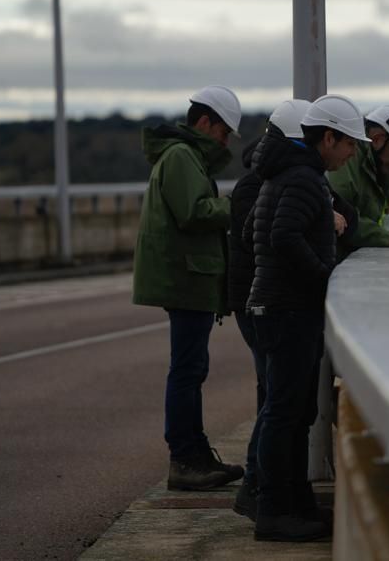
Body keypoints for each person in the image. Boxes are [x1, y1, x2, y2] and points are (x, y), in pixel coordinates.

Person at [244, 94, 368, 542]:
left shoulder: (291, 174)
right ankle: (275, 511)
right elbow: (283, 236)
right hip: (287, 307)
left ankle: (294, 504)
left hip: (280, 305)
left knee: (294, 413)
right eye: (349, 143)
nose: (353, 152)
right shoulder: (301, 178)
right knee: (284, 413)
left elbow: (252, 232)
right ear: (328, 137)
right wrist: (324, 279)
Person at [132, 85, 245, 491]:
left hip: (190, 276)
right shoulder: (182, 156)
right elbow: (193, 212)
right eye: (222, 131)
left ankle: (194, 454)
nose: (225, 140)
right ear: (203, 122)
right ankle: (185, 458)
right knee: (186, 370)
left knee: (192, 368)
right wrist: (237, 206)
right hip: (186, 277)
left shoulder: (186, 155)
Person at [328, 104, 389, 256]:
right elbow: (342, 217)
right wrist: (384, 237)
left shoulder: (375, 167)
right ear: (377, 139)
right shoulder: (347, 160)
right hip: (337, 265)